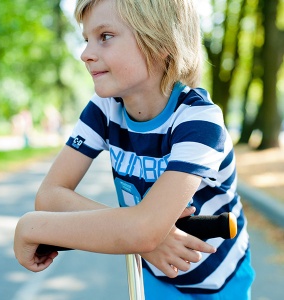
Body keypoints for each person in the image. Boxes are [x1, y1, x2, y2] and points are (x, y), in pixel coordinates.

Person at [14, 0, 255, 299]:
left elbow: (144, 231)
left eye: (105, 36)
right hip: (154, 278)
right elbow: (50, 195)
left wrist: (33, 227)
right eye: (86, 38)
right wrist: (139, 232)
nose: (86, 54)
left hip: (219, 282)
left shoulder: (199, 120)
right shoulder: (105, 109)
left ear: (160, 41)